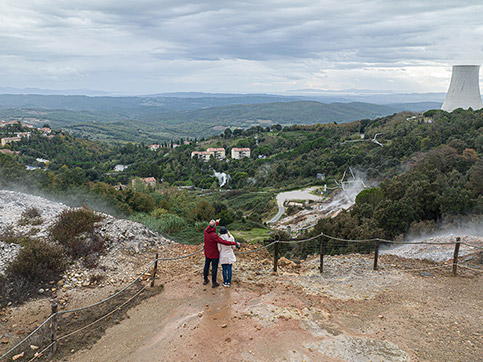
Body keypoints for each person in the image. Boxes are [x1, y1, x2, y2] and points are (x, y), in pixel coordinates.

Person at [203, 219, 238, 288]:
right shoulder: (214, 235)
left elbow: (211, 227)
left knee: (206, 266)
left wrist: (216, 222)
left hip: (207, 253)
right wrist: (235, 243)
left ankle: (205, 279)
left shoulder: (205, 231)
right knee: (214, 268)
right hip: (214, 255)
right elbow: (224, 242)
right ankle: (214, 282)